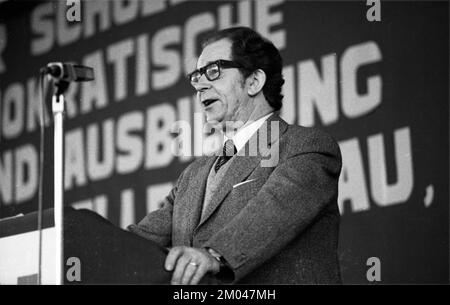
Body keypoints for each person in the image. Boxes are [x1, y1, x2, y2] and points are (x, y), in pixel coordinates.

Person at [128, 27, 342, 285]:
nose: (200, 85)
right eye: (197, 76)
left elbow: (272, 213)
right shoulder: (192, 176)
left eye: (213, 71)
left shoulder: (306, 147)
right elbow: (140, 242)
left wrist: (214, 255)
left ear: (254, 81)